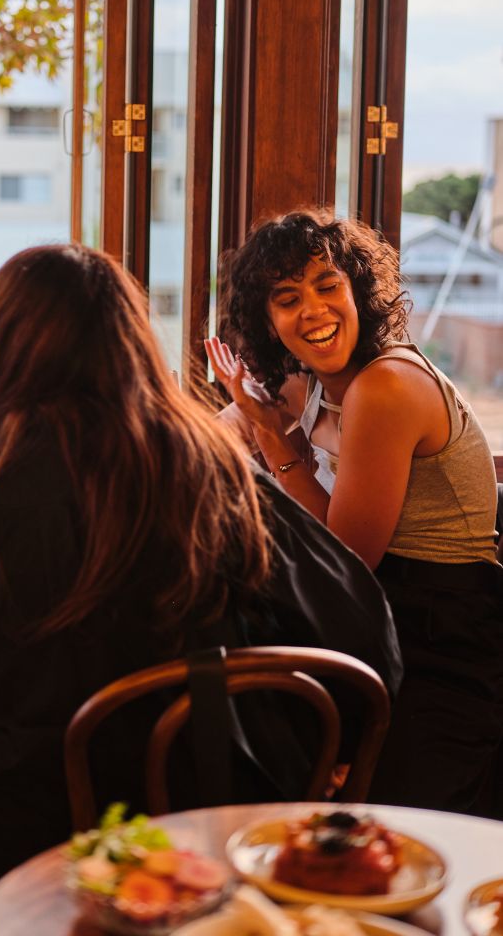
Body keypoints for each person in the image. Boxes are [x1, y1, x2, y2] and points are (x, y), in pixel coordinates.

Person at [0, 243, 401, 903]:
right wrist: (326, 750)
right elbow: (362, 632)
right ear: (134, 346)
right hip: (213, 830)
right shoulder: (211, 468)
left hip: (36, 849)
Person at [206, 207, 503, 817]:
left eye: (327, 286)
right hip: (377, 614)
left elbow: (345, 559)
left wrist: (272, 440)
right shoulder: (314, 382)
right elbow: (211, 441)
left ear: (359, 290)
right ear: (268, 322)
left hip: (440, 631)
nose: (313, 311)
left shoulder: (385, 386)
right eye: (287, 299)